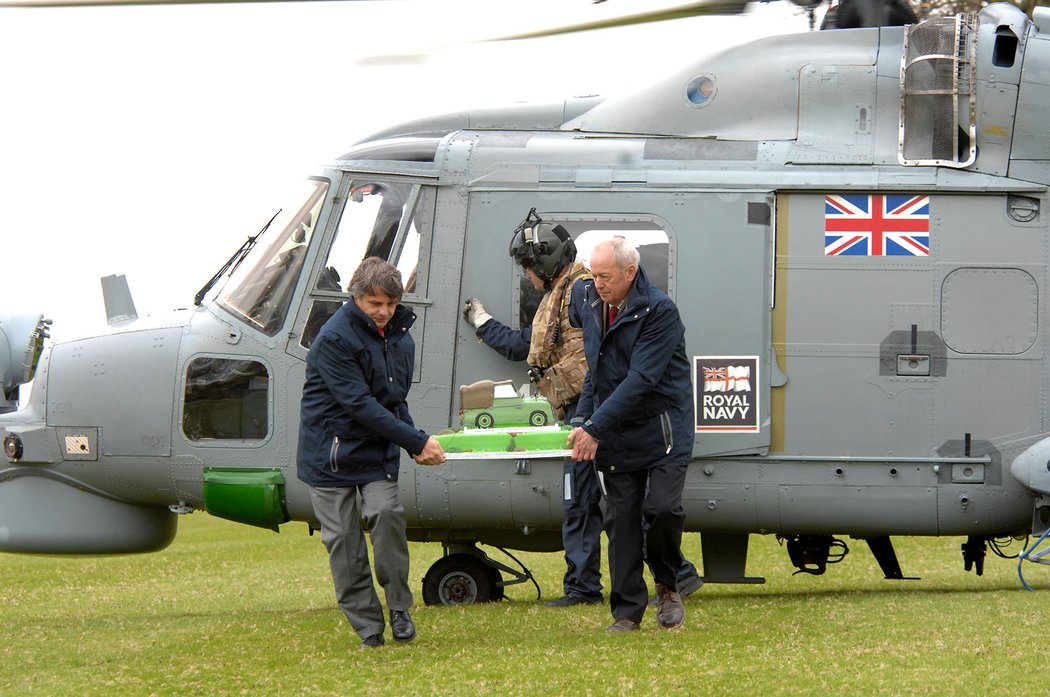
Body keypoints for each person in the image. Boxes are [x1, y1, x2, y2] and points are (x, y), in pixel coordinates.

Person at [297, 256, 446, 649]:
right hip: (330, 457)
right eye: (375, 304)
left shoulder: (401, 337)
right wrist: (415, 441)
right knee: (345, 545)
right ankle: (369, 629)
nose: (384, 312)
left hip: (376, 453)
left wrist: (412, 438)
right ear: (356, 297)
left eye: (391, 304)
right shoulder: (333, 339)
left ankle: (399, 608)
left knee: (386, 517)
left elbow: (394, 400)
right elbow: (359, 404)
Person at [461, 209, 603, 607]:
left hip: (587, 412)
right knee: (585, 501)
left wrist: (587, 418)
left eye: (527, 267)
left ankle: (584, 589)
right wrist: (483, 322)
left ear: (544, 263)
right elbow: (524, 345)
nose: (526, 276)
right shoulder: (561, 297)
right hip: (582, 411)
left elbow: (597, 357)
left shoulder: (580, 293)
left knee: (581, 501)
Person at [568, 237, 695, 632]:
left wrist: (594, 427)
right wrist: (582, 421)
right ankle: (626, 612)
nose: (597, 283)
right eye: (593, 274)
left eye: (605, 276)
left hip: (663, 429)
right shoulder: (590, 301)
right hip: (616, 429)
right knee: (621, 520)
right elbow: (598, 370)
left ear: (630, 272)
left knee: (661, 510)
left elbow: (640, 379)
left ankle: (668, 583)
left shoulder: (660, 311)